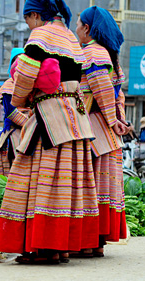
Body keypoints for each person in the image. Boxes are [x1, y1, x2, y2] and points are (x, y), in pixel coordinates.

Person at [0, 0, 100, 264]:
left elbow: (26, 74)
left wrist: (20, 99)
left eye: (27, 19)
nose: (28, 25)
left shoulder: (40, 35)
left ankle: (45, 248)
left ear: (34, 15)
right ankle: (62, 247)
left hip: (49, 115)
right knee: (67, 181)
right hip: (75, 116)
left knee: (40, 177)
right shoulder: (71, 38)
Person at [75, 5, 128, 257]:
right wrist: (119, 119)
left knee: (89, 187)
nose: (75, 29)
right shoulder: (110, 56)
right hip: (108, 132)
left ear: (87, 28)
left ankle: (87, 242)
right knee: (101, 188)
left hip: (93, 127)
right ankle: (96, 243)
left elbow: (102, 91)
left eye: (77, 24)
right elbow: (118, 94)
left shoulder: (92, 53)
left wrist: (111, 118)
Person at [0, 48, 30, 177]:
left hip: (29, 130)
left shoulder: (30, 85)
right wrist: (31, 125)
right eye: (17, 60)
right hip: (14, 132)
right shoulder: (8, 86)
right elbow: (11, 112)